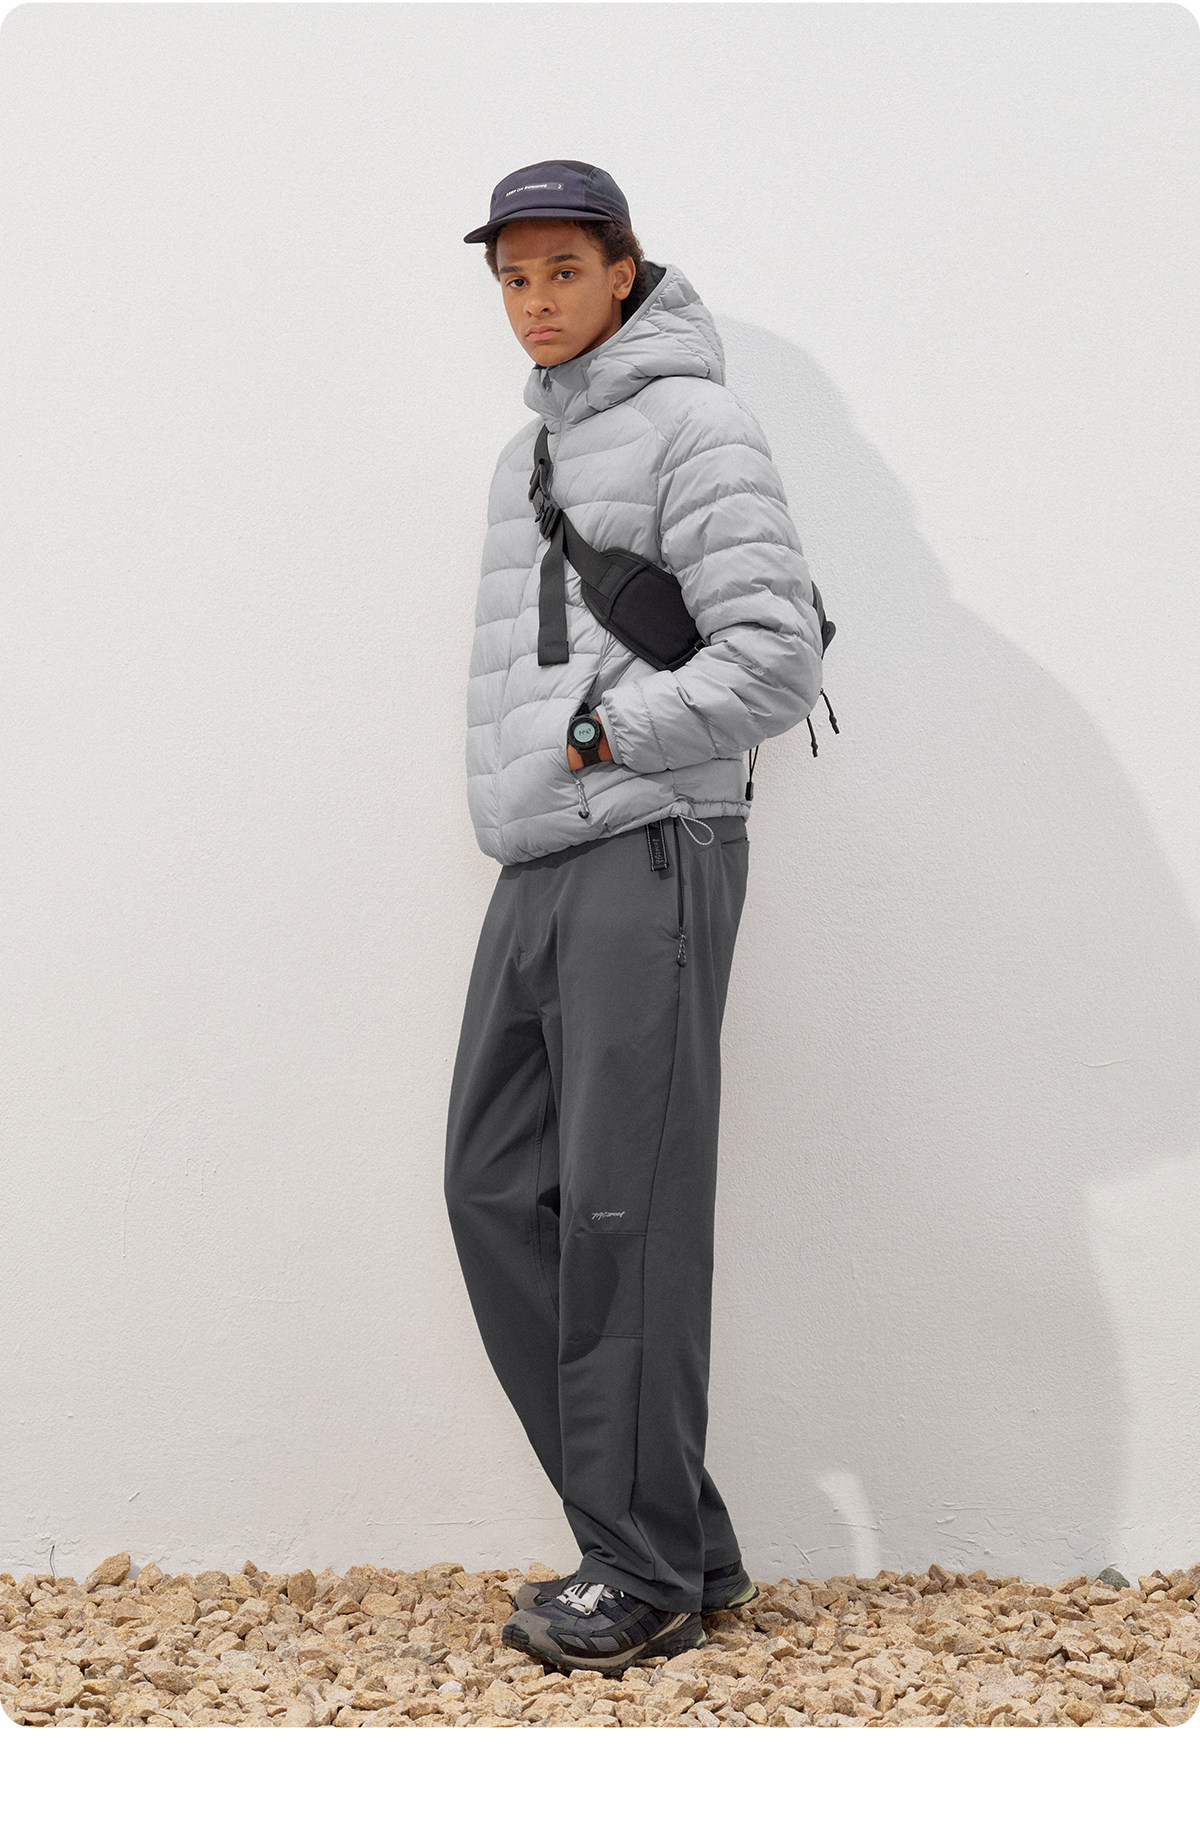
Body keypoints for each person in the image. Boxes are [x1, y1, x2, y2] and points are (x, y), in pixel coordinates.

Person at [443, 160, 824, 1676]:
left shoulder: (698, 425)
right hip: (539, 859)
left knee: (625, 1211)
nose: (536, 301)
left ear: (623, 271)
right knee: (493, 1190)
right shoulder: (527, 454)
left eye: (561, 270)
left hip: (651, 848)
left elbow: (773, 659)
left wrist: (603, 738)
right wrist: (556, 773)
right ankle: (682, 1540)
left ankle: (640, 1570)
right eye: (513, 278)